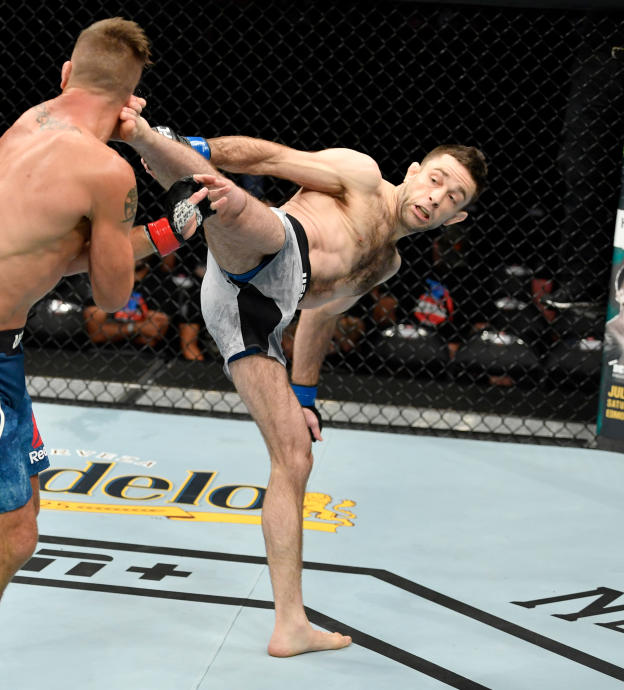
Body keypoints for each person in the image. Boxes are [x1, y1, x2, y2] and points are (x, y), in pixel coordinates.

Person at [119, 114, 487, 657]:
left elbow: (321, 317)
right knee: (240, 207)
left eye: (453, 196)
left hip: (246, 315)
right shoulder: (359, 176)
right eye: (435, 179)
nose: (437, 197)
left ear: (456, 218)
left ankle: (289, 624)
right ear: (413, 172)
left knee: (293, 458)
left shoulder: (386, 263)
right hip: (271, 246)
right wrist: (202, 146)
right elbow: (268, 158)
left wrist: (306, 397)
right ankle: (145, 137)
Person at [0, 18, 193, 690]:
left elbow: (51, 254)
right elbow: (111, 290)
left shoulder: (30, 120)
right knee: (8, 532)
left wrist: (149, 224)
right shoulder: (106, 170)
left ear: (66, 74)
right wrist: (166, 229)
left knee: (15, 522)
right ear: (128, 104)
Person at [83, 256, 171, 350]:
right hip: (100, 352)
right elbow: (96, 334)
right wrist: (138, 327)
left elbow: (153, 334)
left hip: (145, 355)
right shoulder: (102, 279)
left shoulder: (161, 283)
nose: (135, 253)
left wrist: (112, 330)